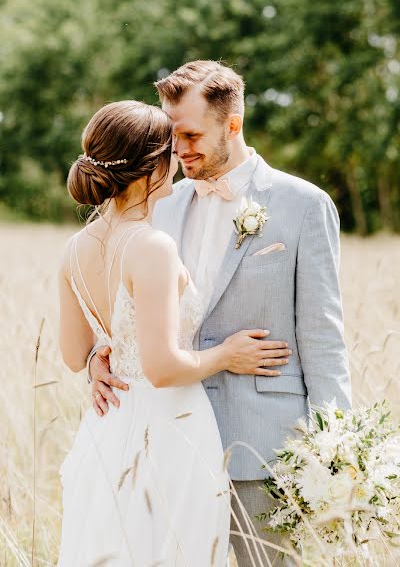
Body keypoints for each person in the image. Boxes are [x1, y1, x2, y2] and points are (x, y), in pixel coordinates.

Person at [89, 62, 352, 565]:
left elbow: (323, 338)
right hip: (170, 439)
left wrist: (332, 447)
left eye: (190, 134)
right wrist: (100, 358)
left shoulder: (303, 205)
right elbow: (131, 306)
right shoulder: (158, 205)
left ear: (232, 124)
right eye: (170, 136)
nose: (177, 150)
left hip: (265, 447)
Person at [57, 99, 290, 566]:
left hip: (109, 426)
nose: (179, 159)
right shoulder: (152, 246)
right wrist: (226, 354)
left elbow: (73, 353)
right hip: (169, 429)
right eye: (170, 150)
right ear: (152, 167)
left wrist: (101, 358)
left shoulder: (74, 247)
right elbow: (162, 368)